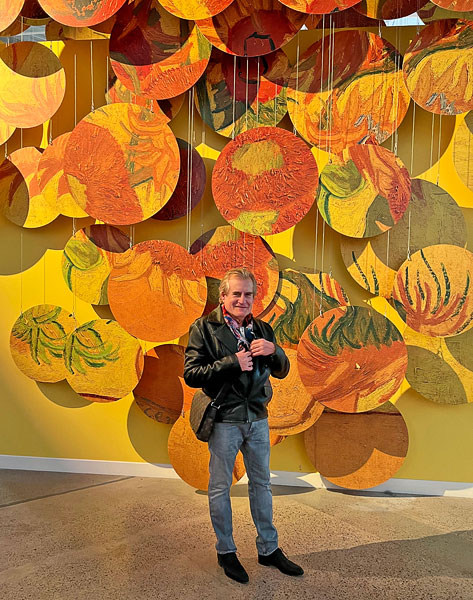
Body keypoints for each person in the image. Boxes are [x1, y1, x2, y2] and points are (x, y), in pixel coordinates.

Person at [184, 267, 304, 583]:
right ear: (223, 296)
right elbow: (192, 374)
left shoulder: (262, 328)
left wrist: (275, 351)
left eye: (248, 294)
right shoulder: (203, 328)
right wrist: (231, 363)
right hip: (225, 419)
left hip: (258, 419)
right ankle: (226, 551)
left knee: (262, 484)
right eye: (236, 293)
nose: (242, 299)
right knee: (220, 487)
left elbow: (282, 371)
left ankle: (268, 549)